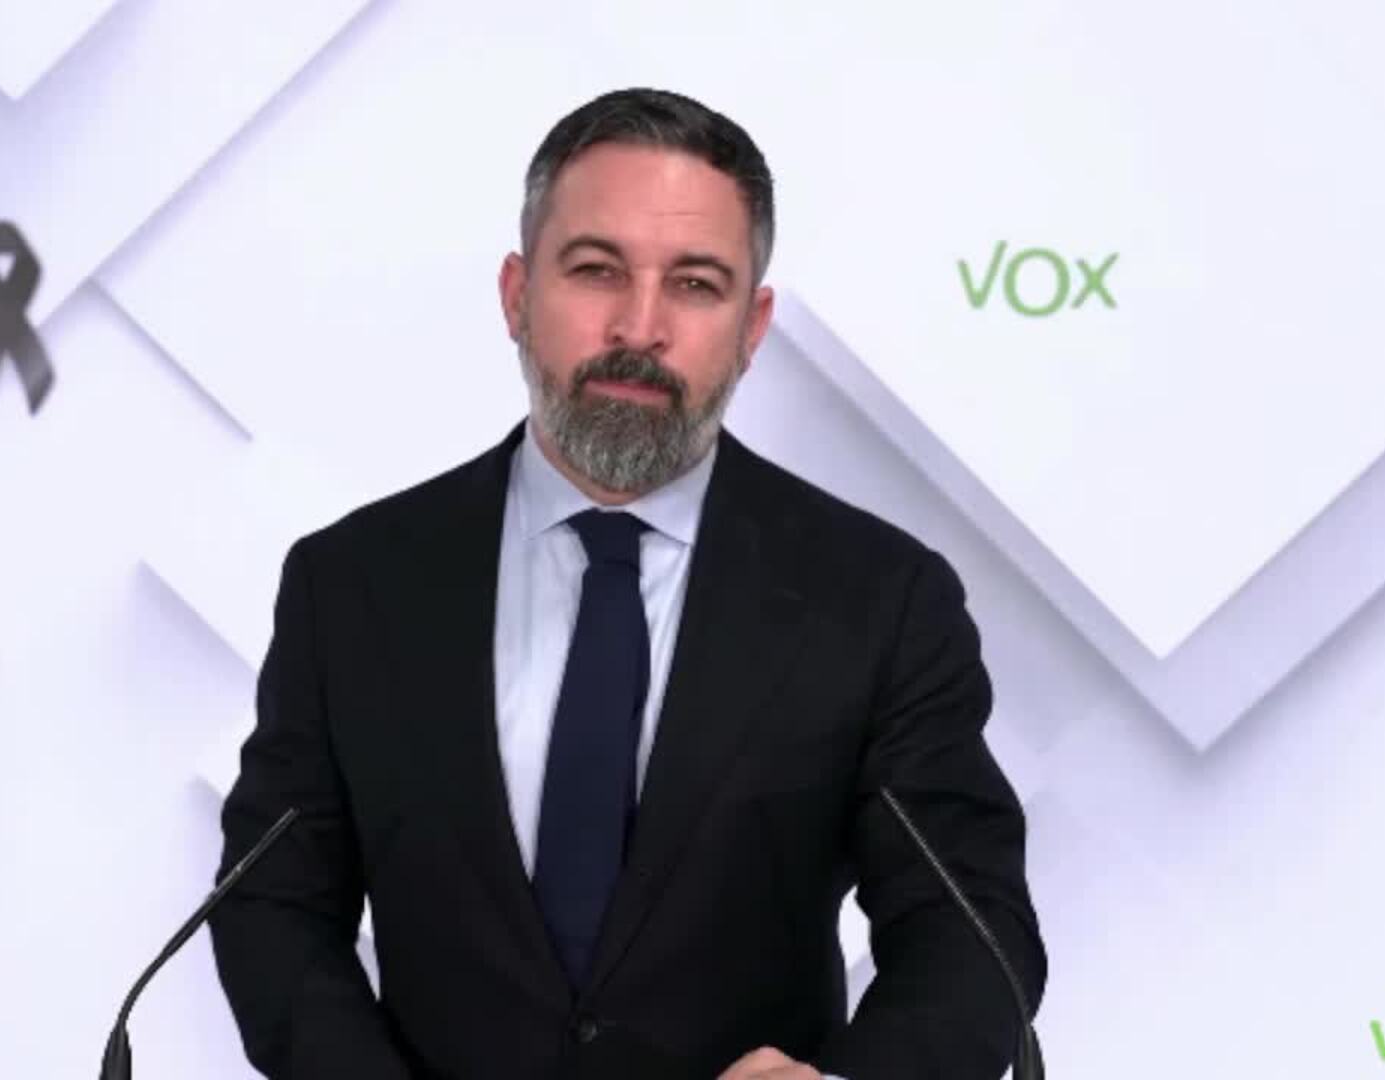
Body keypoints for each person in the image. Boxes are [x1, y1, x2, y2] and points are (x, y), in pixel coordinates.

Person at [210, 87, 1046, 1080]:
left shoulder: (879, 600)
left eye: (694, 284)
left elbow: (969, 926)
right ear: (517, 295)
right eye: (596, 270)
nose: (639, 326)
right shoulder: (352, 584)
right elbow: (273, 903)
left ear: (753, 325)